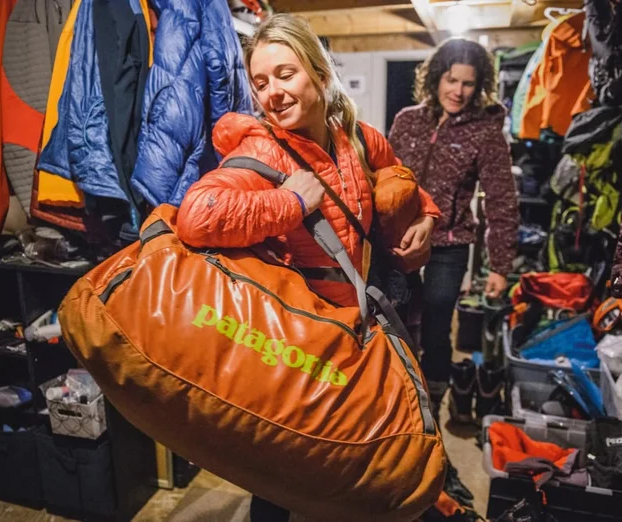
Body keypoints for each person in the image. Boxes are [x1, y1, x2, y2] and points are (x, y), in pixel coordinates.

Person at [175, 13, 441, 522]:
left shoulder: (358, 138)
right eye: (260, 82)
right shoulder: (261, 151)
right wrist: (290, 203)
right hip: (301, 341)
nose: (272, 93)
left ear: (320, 75)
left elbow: (399, 178)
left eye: (285, 74)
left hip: (363, 329)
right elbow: (197, 216)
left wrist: (427, 218)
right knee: (285, 464)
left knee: (362, 452)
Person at [388, 38, 518, 423]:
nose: (458, 91)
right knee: (394, 316)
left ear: (479, 86)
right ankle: (396, 395)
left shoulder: (486, 132)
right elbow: (385, 176)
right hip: (400, 238)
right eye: (451, 80)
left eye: (467, 83)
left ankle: (433, 403)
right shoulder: (407, 120)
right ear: (435, 78)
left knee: (436, 322)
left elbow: (501, 199)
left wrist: (500, 266)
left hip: (449, 243)